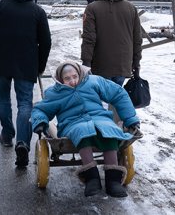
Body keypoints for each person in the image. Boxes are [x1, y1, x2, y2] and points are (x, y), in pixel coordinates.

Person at [31, 61, 140, 197]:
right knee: (82, 131)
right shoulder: (55, 93)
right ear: (60, 79)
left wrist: (131, 119)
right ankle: (92, 178)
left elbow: (118, 93)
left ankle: (113, 180)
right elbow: (40, 109)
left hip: (99, 118)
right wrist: (40, 121)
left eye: (74, 76)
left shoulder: (93, 81)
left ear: (79, 73)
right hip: (72, 123)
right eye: (67, 79)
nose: (72, 81)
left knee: (109, 130)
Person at [0, 0, 52, 167]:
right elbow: (46, 42)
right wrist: (40, 66)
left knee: (2, 100)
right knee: (25, 103)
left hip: (1, 63)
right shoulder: (37, 11)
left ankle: (8, 135)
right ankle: (23, 143)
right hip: (26, 64)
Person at [81, 0, 143, 86]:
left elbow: (89, 38)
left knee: (99, 99)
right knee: (116, 98)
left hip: (100, 64)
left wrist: (86, 62)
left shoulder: (92, 8)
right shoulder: (131, 8)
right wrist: (136, 62)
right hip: (123, 65)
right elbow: (137, 39)